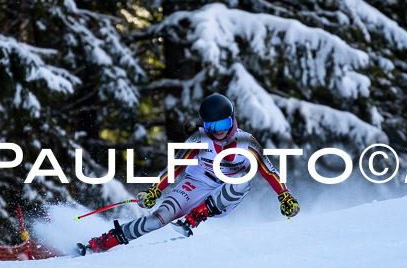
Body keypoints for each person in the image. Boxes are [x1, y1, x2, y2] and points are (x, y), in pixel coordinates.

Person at [80, 93, 301, 254]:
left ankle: (195, 217)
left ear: (232, 120)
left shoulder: (247, 142)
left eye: (223, 123)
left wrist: (285, 196)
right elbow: (175, 166)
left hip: (225, 195)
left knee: (241, 181)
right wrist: (155, 191)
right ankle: (103, 242)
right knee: (158, 219)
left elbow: (268, 170)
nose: (220, 131)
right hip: (196, 184)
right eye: (212, 126)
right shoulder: (199, 140)